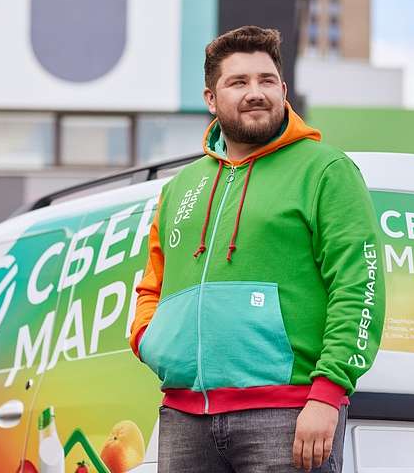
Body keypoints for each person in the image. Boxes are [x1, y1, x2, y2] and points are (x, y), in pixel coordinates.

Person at [129, 26, 385, 472]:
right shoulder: (180, 186)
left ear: (283, 91)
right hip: (183, 417)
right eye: (238, 82)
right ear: (211, 99)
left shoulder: (326, 170)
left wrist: (328, 393)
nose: (255, 93)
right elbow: (153, 285)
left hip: (289, 412)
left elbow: (359, 284)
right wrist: (151, 341)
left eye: (267, 81)